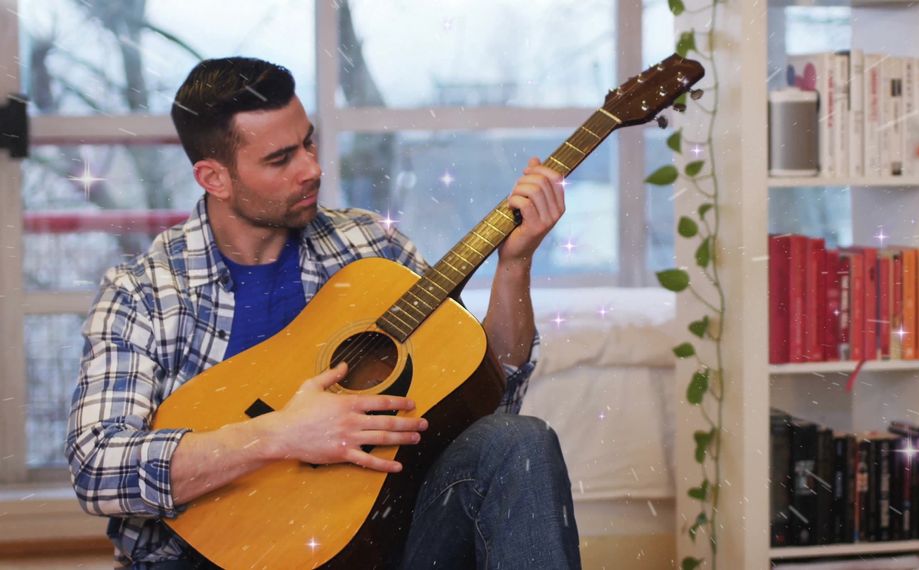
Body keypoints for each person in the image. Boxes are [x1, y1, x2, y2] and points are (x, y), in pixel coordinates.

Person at [66, 56, 580, 569]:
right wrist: (278, 435)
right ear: (214, 178)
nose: (311, 168)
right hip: (211, 557)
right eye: (280, 159)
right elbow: (96, 468)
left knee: (519, 440)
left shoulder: (372, 247)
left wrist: (515, 265)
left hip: (383, 540)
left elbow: (489, 388)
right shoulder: (144, 292)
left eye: (308, 143)